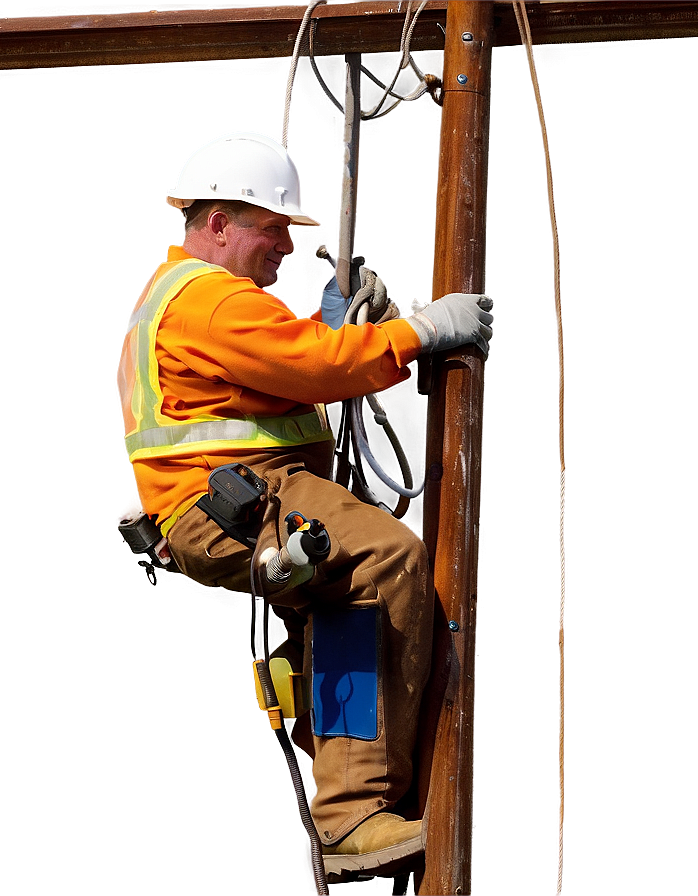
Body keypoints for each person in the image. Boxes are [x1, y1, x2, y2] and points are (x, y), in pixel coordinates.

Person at [119, 130, 493, 878]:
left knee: (342, 613)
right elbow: (314, 367)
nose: (284, 244)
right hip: (242, 498)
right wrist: (423, 331)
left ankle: (348, 807)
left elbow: (285, 369)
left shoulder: (190, 300)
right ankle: (354, 813)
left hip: (230, 507)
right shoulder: (209, 298)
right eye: (273, 227)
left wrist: (329, 327)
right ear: (220, 224)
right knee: (389, 557)